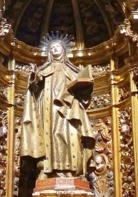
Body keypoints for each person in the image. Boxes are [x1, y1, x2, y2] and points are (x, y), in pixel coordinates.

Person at [20, 38, 95, 179]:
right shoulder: (43, 70)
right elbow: (34, 89)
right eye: (52, 48)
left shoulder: (72, 71)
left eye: (57, 47)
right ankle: (48, 171)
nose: (54, 49)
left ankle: (73, 172)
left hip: (69, 110)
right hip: (48, 109)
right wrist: (33, 77)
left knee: (71, 136)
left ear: (63, 50)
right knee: (50, 136)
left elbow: (84, 93)